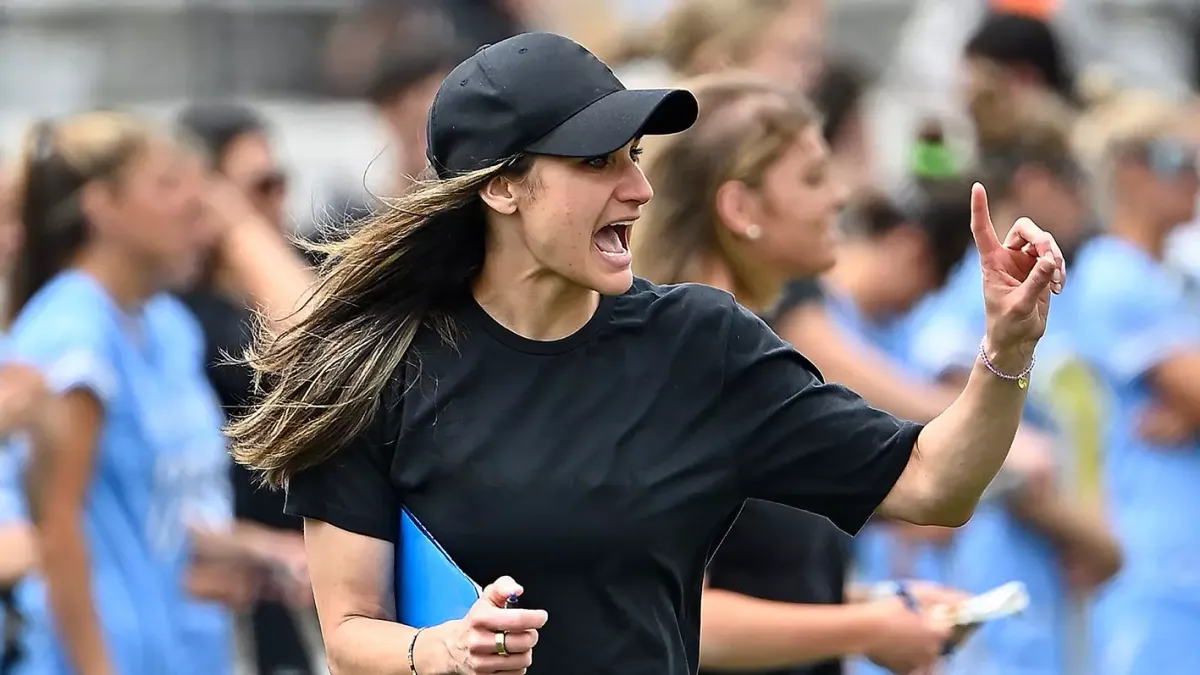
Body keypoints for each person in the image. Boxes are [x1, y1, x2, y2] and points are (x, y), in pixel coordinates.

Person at [227, 32, 1067, 675]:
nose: (639, 188)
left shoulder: (701, 343)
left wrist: (1007, 345)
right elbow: (347, 632)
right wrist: (440, 649)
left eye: (635, 156)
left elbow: (936, 484)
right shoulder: (380, 365)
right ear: (502, 185)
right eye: (597, 161)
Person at [633, 72, 965, 675]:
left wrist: (884, 611)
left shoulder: (753, 357)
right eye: (813, 177)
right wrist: (859, 625)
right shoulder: (683, 361)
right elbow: (671, 614)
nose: (839, 197)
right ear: (739, 207)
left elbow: (767, 579)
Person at [905, 80, 1122, 675]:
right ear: (1033, 183)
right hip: (992, 578)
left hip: (1057, 591)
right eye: (1075, 180)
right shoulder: (962, 306)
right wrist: (1099, 542)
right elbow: (979, 448)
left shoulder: (1060, 294)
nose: (1086, 199)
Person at [176, 102, 321, 675]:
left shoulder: (301, 265)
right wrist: (237, 226)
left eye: (280, 181)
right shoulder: (181, 314)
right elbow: (311, 344)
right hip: (245, 577)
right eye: (258, 186)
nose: (275, 200)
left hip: (309, 567)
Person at [1069, 88, 1200, 675]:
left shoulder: (1167, 279)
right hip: (1155, 560)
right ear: (1129, 171)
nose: (1194, 174)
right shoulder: (1114, 275)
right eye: (1179, 159)